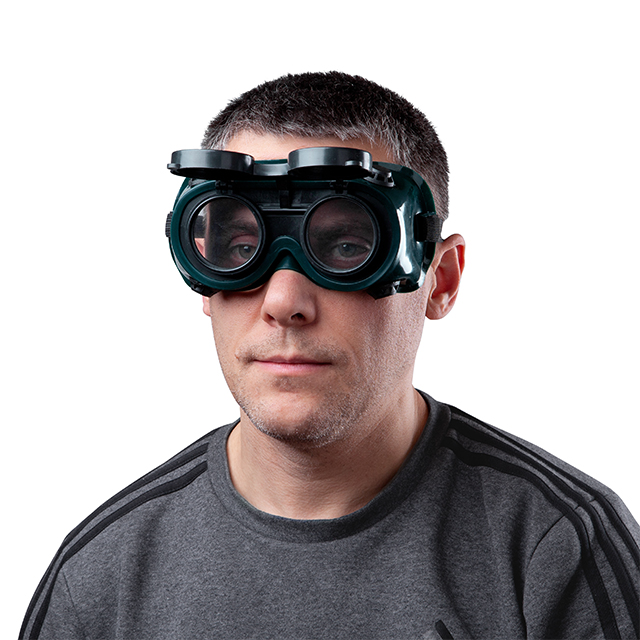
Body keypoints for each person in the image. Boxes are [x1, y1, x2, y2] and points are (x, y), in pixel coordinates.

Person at [20, 72, 639, 640]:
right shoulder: (101, 580)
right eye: (241, 248)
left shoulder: (559, 550)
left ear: (441, 280)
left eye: (347, 247)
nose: (283, 301)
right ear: (204, 280)